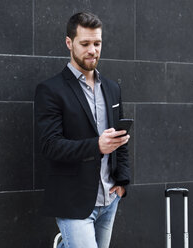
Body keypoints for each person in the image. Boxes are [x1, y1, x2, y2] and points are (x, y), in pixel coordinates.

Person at [34, 12, 131, 248]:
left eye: (97, 43)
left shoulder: (111, 88)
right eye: (85, 44)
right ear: (69, 43)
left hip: (110, 198)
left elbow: (121, 140)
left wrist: (123, 182)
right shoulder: (51, 90)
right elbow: (50, 145)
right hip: (73, 201)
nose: (92, 50)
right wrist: (97, 145)